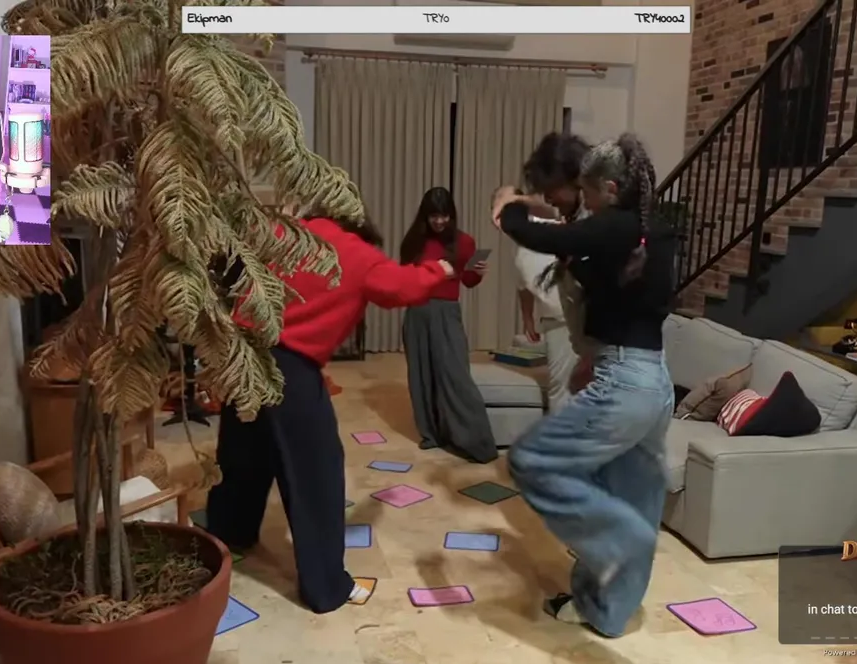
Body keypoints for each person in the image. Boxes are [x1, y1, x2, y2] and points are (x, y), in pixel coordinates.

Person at [205, 210, 456, 614]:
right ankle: (325, 587)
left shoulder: (286, 231)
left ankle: (228, 533)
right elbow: (402, 288)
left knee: (245, 451)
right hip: (289, 365)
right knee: (315, 473)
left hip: (241, 355)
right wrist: (440, 268)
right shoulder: (358, 253)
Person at [491, 133, 676, 638]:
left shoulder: (613, 227)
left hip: (625, 381)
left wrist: (508, 205)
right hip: (653, 379)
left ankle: (618, 539)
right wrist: (592, 355)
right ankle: (606, 612)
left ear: (609, 188)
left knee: (530, 460)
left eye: (589, 192)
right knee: (635, 496)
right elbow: (616, 296)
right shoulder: (650, 230)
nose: (585, 201)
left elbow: (541, 237)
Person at [398, 187, 499, 463]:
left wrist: (478, 274)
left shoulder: (465, 242)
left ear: (451, 215)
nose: (440, 221)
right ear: (425, 216)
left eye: (444, 215)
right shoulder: (413, 242)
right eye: (434, 216)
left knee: (455, 375)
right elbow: (405, 278)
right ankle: (431, 435)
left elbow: (468, 281)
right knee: (421, 376)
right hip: (417, 312)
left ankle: (475, 442)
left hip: (446, 312)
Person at [515, 133, 591, 411]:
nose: (547, 197)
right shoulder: (569, 220)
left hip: (591, 333)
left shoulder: (598, 223)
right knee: (566, 390)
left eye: (551, 189)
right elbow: (523, 286)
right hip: (568, 323)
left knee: (567, 392)